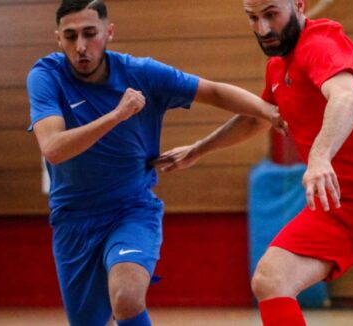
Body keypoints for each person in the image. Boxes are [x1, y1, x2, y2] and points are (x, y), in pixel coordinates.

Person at [152, 0, 353, 325]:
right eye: (252, 18)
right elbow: (259, 118)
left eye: (271, 15)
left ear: (299, 5)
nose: (262, 28)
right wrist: (199, 148)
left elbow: (347, 98)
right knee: (271, 279)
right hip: (338, 207)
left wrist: (320, 156)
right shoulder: (278, 66)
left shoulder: (321, 45)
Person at [26, 1, 285, 325]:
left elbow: (215, 92)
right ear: (58, 39)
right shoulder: (46, 76)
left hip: (130, 210)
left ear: (108, 32)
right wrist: (117, 115)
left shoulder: (141, 73)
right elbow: (53, 148)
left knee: (127, 296)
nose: (81, 47)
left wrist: (269, 112)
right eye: (70, 36)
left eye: (90, 34)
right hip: (73, 220)